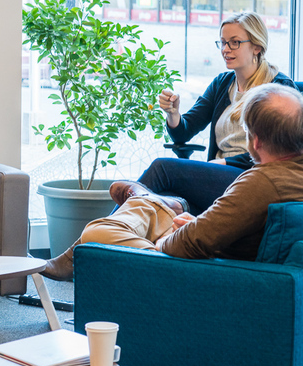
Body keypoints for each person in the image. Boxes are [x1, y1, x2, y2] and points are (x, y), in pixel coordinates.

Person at [41, 83, 303, 280]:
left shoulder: (261, 182)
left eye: (246, 132)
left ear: (255, 141)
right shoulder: (290, 174)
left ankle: (148, 200)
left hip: (210, 273)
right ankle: (148, 201)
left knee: (96, 234)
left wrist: (168, 240)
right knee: (144, 213)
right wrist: (197, 226)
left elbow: (188, 244)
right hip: (225, 253)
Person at [136, 12, 296, 215]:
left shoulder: (278, 88)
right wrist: (173, 114)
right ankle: (117, 239)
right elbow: (183, 133)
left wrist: (227, 161)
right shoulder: (222, 84)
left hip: (252, 177)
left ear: (257, 46)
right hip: (219, 174)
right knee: (163, 199)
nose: (225, 50)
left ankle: (103, 235)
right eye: (222, 43)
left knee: (161, 169)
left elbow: (280, 151)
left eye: (234, 42)